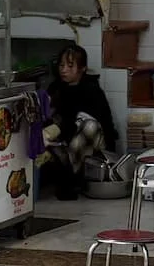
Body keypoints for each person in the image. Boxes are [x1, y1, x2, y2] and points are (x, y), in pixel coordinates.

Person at [40, 43, 117, 202]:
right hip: (65, 142)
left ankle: (70, 177)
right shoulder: (56, 88)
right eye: (61, 65)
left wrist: (58, 129)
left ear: (82, 68)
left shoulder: (91, 90)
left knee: (88, 125)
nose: (64, 70)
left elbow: (91, 123)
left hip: (93, 146)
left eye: (70, 65)